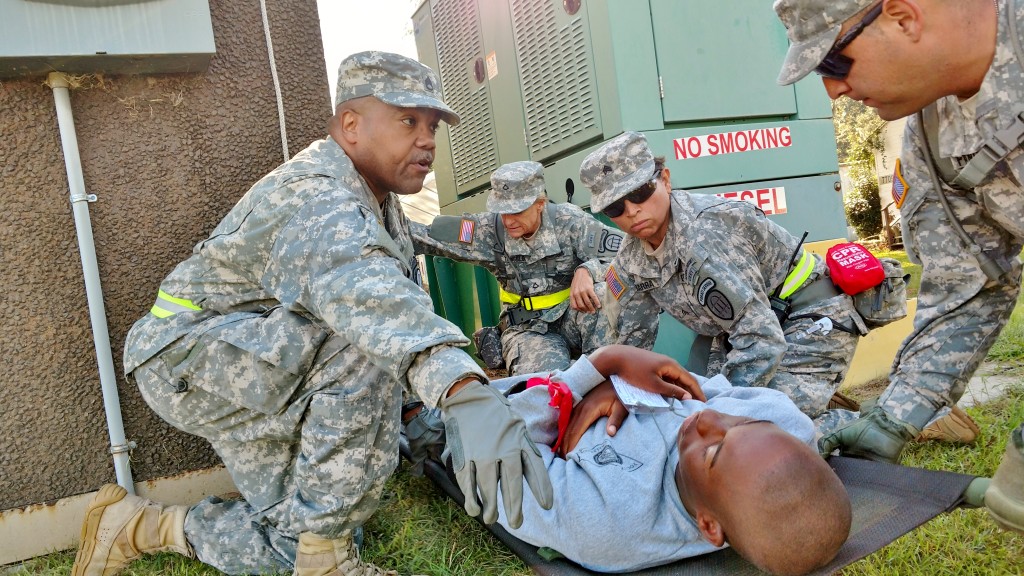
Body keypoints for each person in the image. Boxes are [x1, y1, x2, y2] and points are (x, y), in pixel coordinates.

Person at [70, 51, 556, 576]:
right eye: (408, 120)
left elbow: (408, 262)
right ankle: (327, 561)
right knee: (362, 345)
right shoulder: (318, 199)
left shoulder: (374, 193)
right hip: (188, 356)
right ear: (351, 125)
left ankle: (141, 527)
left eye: (433, 124)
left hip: (249, 356)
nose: (427, 139)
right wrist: (463, 391)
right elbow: (373, 301)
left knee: (302, 542)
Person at [772, 0, 1023, 532]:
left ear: (903, 16)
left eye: (833, 65)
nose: (833, 92)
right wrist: (894, 418)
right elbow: (967, 287)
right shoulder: (932, 141)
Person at [579, 130, 869, 435]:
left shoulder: (706, 232)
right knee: (693, 411)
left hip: (808, 317)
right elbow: (631, 346)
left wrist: (723, 415)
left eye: (640, 193)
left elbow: (762, 338)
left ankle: (862, 423)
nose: (631, 211)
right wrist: (618, 392)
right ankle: (804, 395)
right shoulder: (630, 260)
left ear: (664, 179)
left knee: (753, 433)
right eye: (614, 208)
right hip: (740, 331)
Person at [490, 345, 852, 576]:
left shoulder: (609, 523)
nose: (708, 419)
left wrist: (600, 367)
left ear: (709, 527)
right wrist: (621, 386)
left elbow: (493, 453)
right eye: (741, 422)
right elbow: (698, 386)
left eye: (713, 452)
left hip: (495, 403)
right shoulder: (783, 425)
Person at [411, 160, 623, 374]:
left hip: (574, 316)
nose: (508, 220)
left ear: (540, 203)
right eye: (502, 211)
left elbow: (626, 255)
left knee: (605, 292)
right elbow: (426, 237)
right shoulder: (489, 230)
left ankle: (612, 379)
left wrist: (588, 270)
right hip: (528, 329)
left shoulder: (569, 220)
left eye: (517, 211)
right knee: (547, 388)